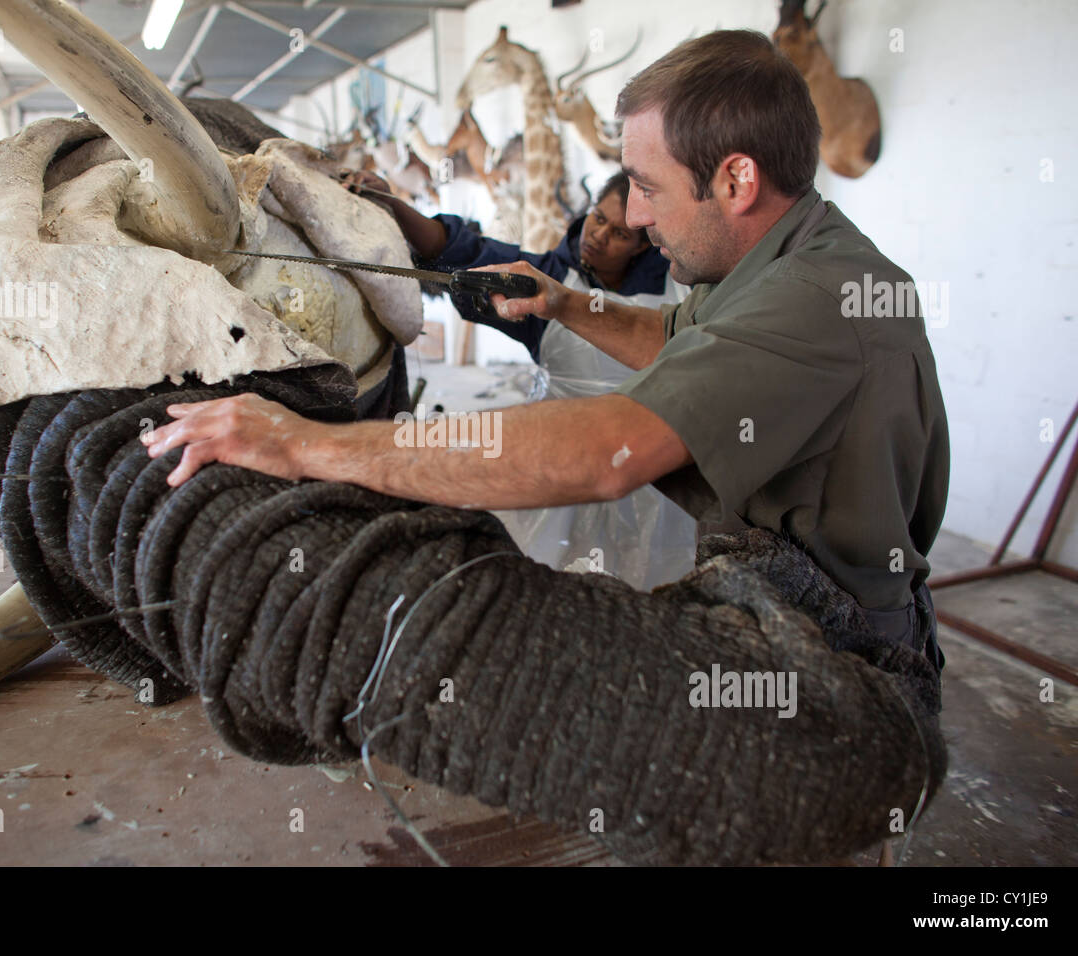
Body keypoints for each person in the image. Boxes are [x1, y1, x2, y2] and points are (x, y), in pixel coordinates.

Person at [141, 29, 949, 673]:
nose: (632, 216)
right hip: (777, 578)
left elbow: (604, 454)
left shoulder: (814, 298)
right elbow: (673, 337)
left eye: (647, 185)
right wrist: (563, 301)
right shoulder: (766, 260)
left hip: (838, 638)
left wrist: (305, 442)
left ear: (735, 180)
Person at [338, 169, 698, 588]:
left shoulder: (680, 292)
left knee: (650, 583)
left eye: (619, 233)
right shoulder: (547, 280)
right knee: (546, 580)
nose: (598, 235)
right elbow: (462, 252)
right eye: (598, 218)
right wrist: (395, 206)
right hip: (560, 462)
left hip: (652, 475)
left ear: (643, 244)